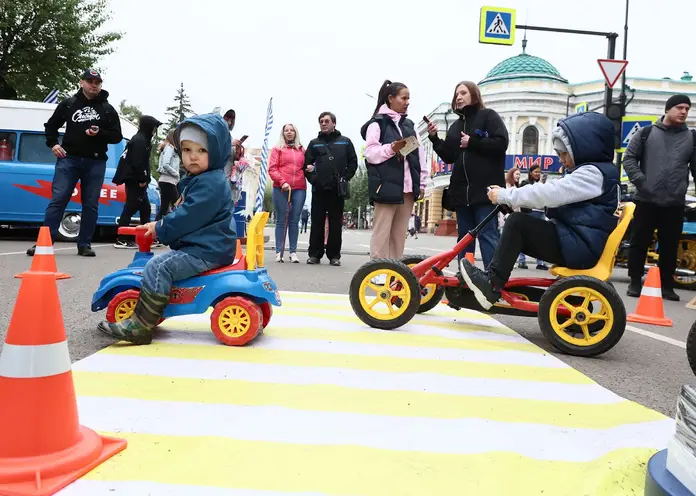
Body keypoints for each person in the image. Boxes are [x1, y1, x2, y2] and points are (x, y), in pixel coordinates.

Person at [97, 113, 236, 344]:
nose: (193, 157)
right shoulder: (201, 179)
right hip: (207, 245)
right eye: (187, 150)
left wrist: (160, 227)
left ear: (217, 152)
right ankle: (152, 312)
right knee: (163, 262)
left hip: (207, 250)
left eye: (202, 151)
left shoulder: (210, 183)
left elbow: (188, 217)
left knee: (158, 266)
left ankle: (140, 326)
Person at [459, 112, 620, 310]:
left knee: (517, 224)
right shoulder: (596, 172)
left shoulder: (592, 174)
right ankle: (493, 280)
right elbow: (558, 201)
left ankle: (491, 283)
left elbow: (551, 193)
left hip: (580, 246)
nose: (561, 159)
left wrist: (506, 196)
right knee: (519, 223)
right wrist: (519, 202)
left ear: (583, 148)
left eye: (564, 154)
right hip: (577, 241)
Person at [27, 69, 123, 257]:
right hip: (68, 159)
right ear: (81, 82)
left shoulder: (107, 109)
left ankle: (84, 244)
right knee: (58, 199)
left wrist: (100, 133)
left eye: (97, 82)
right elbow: (51, 126)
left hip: (95, 162)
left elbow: (116, 136)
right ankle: (44, 242)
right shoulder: (69, 103)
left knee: (90, 203)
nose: (93, 85)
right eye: (90, 81)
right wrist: (53, 144)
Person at [426, 81, 508, 268]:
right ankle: (465, 276)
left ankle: (493, 279)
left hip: (485, 192)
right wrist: (434, 139)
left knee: (488, 235)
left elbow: (501, 143)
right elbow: (449, 156)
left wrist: (473, 142)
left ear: (474, 95)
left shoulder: (488, 116)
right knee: (464, 239)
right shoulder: (456, 126)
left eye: (463, 93)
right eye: (456, 95)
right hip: (462, 193)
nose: (459, 97)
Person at [623, 94, 696, 301]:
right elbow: (629, 159)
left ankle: (666, 285)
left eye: (687, 109)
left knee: (670, 244)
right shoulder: (646, 133)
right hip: (646, 200)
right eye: (679, 107)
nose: (683, 112)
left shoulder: (691, 137)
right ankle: (635, 281)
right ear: (668, 109)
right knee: (639, 242)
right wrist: (641, 182)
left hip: (674, 202)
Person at [360, 80, 427, 260]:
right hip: (385, 185)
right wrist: (391, 148)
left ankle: (394, 271)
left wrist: (421, 182)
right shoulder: (377, 124)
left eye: (408, 99)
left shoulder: (409, 125)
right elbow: (370, 153)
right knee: (382, 232)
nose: (407, 102)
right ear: (391, 98)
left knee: (398, 235)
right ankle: (376, 270)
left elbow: (419, 155)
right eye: (403, 98)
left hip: (407, 187)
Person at [304, 111, 358, 266]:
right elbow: (306, 165)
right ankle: (314, 255)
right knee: (317, 223)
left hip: (337, 190)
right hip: (319, 190)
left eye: (327, 121)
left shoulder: (345, 142)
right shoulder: (314, 143)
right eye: (321, 121)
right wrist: (314, 180)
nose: (324, 123)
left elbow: (353, 162)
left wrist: (345, 178)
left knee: (335, 224)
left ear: (334, 123)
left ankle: (334, 256)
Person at [113, 115, 162, 248]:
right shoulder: (140, 141)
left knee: (145, 208)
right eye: (154, 128)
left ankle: (148, 237)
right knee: (130, 208)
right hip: (135, 179)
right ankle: (121, 238)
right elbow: (138, 162)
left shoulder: (141, 139)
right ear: (148, 127)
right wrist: (142, 178)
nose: (154, 131)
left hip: (136, 178)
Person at [268, 123, 307, 263]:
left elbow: (309, 164)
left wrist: (311, 167)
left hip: (299, 188)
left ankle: (293, 252)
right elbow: (272, 169)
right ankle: (279, 251)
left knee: (294, 221)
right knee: (281, 220)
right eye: (286, 130)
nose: (289, 132)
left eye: (292, 130)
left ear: (295, 133)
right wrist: (282, 181)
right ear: (283, 133)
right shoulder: (277, 149)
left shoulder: (302, 150)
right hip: (281, 188)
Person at [519, 163, 549, 270]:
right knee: (525, 237)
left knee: (540, 239)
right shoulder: (525, 183)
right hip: (530, 212)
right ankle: (521, 261)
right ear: (530, 173)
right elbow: (523, 197)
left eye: (539, 172)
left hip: (541, 213)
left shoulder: (541, 184)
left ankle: (540, 262)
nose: (538, 174)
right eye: (535, 172)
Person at [155, 129, 181, 221]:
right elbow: (165, 164)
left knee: (164, 208)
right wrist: (176, 174)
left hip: (166, 181)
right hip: (168, 181)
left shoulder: (170, 148)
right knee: (177, 205)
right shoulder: (169, 148)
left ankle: (155, 228)